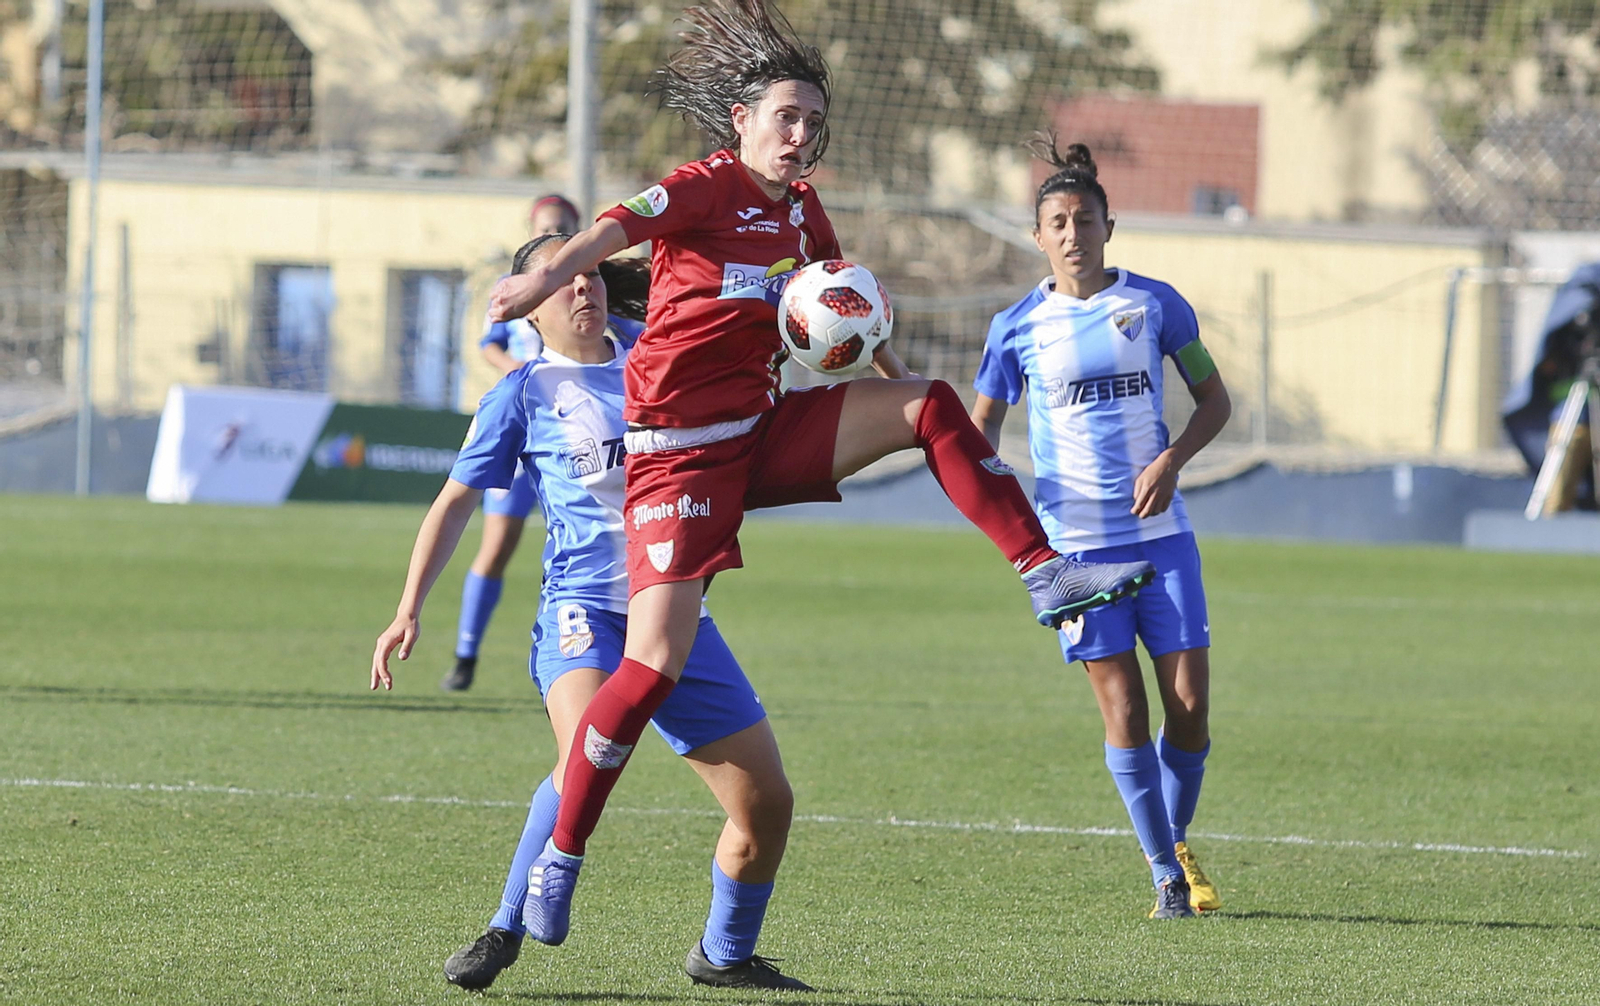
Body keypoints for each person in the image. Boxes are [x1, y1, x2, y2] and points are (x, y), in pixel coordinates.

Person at [486, 0, 1157, 945]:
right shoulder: (705, 186)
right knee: (649, 666)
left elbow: (854, 309)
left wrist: (901, 397)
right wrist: (541, 281)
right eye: (785, 118)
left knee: (930, 403)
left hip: (759, 433)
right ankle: (562, 857)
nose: (801, 136)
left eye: (811, 122)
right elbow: (609, 233)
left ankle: (1045, 572)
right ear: (744, 123)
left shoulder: (803, 212)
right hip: (675, 459)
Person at [373, 233, 812, 991]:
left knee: (767, 804)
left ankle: (725, 954)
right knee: (585, 741)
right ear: (528, 312)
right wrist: (408, 608)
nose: (582, 290)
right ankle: (507, 924)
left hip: (676, 616)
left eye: (588, 275)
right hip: (584, 613)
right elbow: (454, 504)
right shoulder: (524, 392)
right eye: (560, 283)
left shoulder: (655, 354)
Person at [969, 137, 1232, 920]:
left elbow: (1215, 402)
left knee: (1189, 707)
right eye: (1057, 221)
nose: (1072, 232)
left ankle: (1174, 840)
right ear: (1039, 235)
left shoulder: (1154, 304)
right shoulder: (1015, 326)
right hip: (1077, 549)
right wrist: (1015, 517)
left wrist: (1174, 460)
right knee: (1125, 710)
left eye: (1085, 218)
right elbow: (977, 436)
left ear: (1108, 228)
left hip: (1162, 535)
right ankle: (1164, 874)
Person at [443, 195, 584, 691]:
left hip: (578, 427)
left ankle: (591, 652)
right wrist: (524, 375)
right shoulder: (513, 286)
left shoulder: (589, 282)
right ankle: (466, 654)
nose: (554, 231)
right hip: (531, 423)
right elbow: (490, 343)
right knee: (497, 545)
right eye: (546, 226)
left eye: (563, 227)